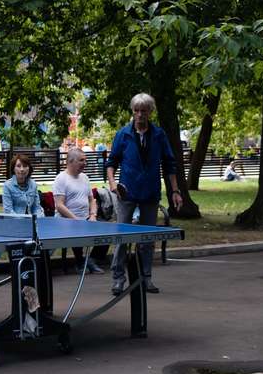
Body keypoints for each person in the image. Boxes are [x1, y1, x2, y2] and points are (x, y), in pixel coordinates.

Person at [106, 93, 183, 296]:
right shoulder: (123, 134)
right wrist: (113, 183)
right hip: (127, 193)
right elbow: (111, 162)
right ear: (133, 111)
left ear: (150, 112)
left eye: (144, 110)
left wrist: (175, 191)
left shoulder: (159, 135)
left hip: (150, 193)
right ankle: (118, 278)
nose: (140, 114)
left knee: (147, 239)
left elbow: (169, 164)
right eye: (136, 110)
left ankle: (145, 277)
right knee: (122, 237)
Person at [53, 148, 103, 274]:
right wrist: (75, 220)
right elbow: (59, 205)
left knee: (106, 230)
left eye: (85, 160)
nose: (85, 163)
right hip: (66, 220)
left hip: (86, 218)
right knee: (76, 228)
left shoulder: (85, 178)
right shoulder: (61, 179)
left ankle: (91, 260)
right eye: (81, 160)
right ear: (70, 161)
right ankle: (80, 263)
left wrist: (93, 215)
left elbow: (92, 200)